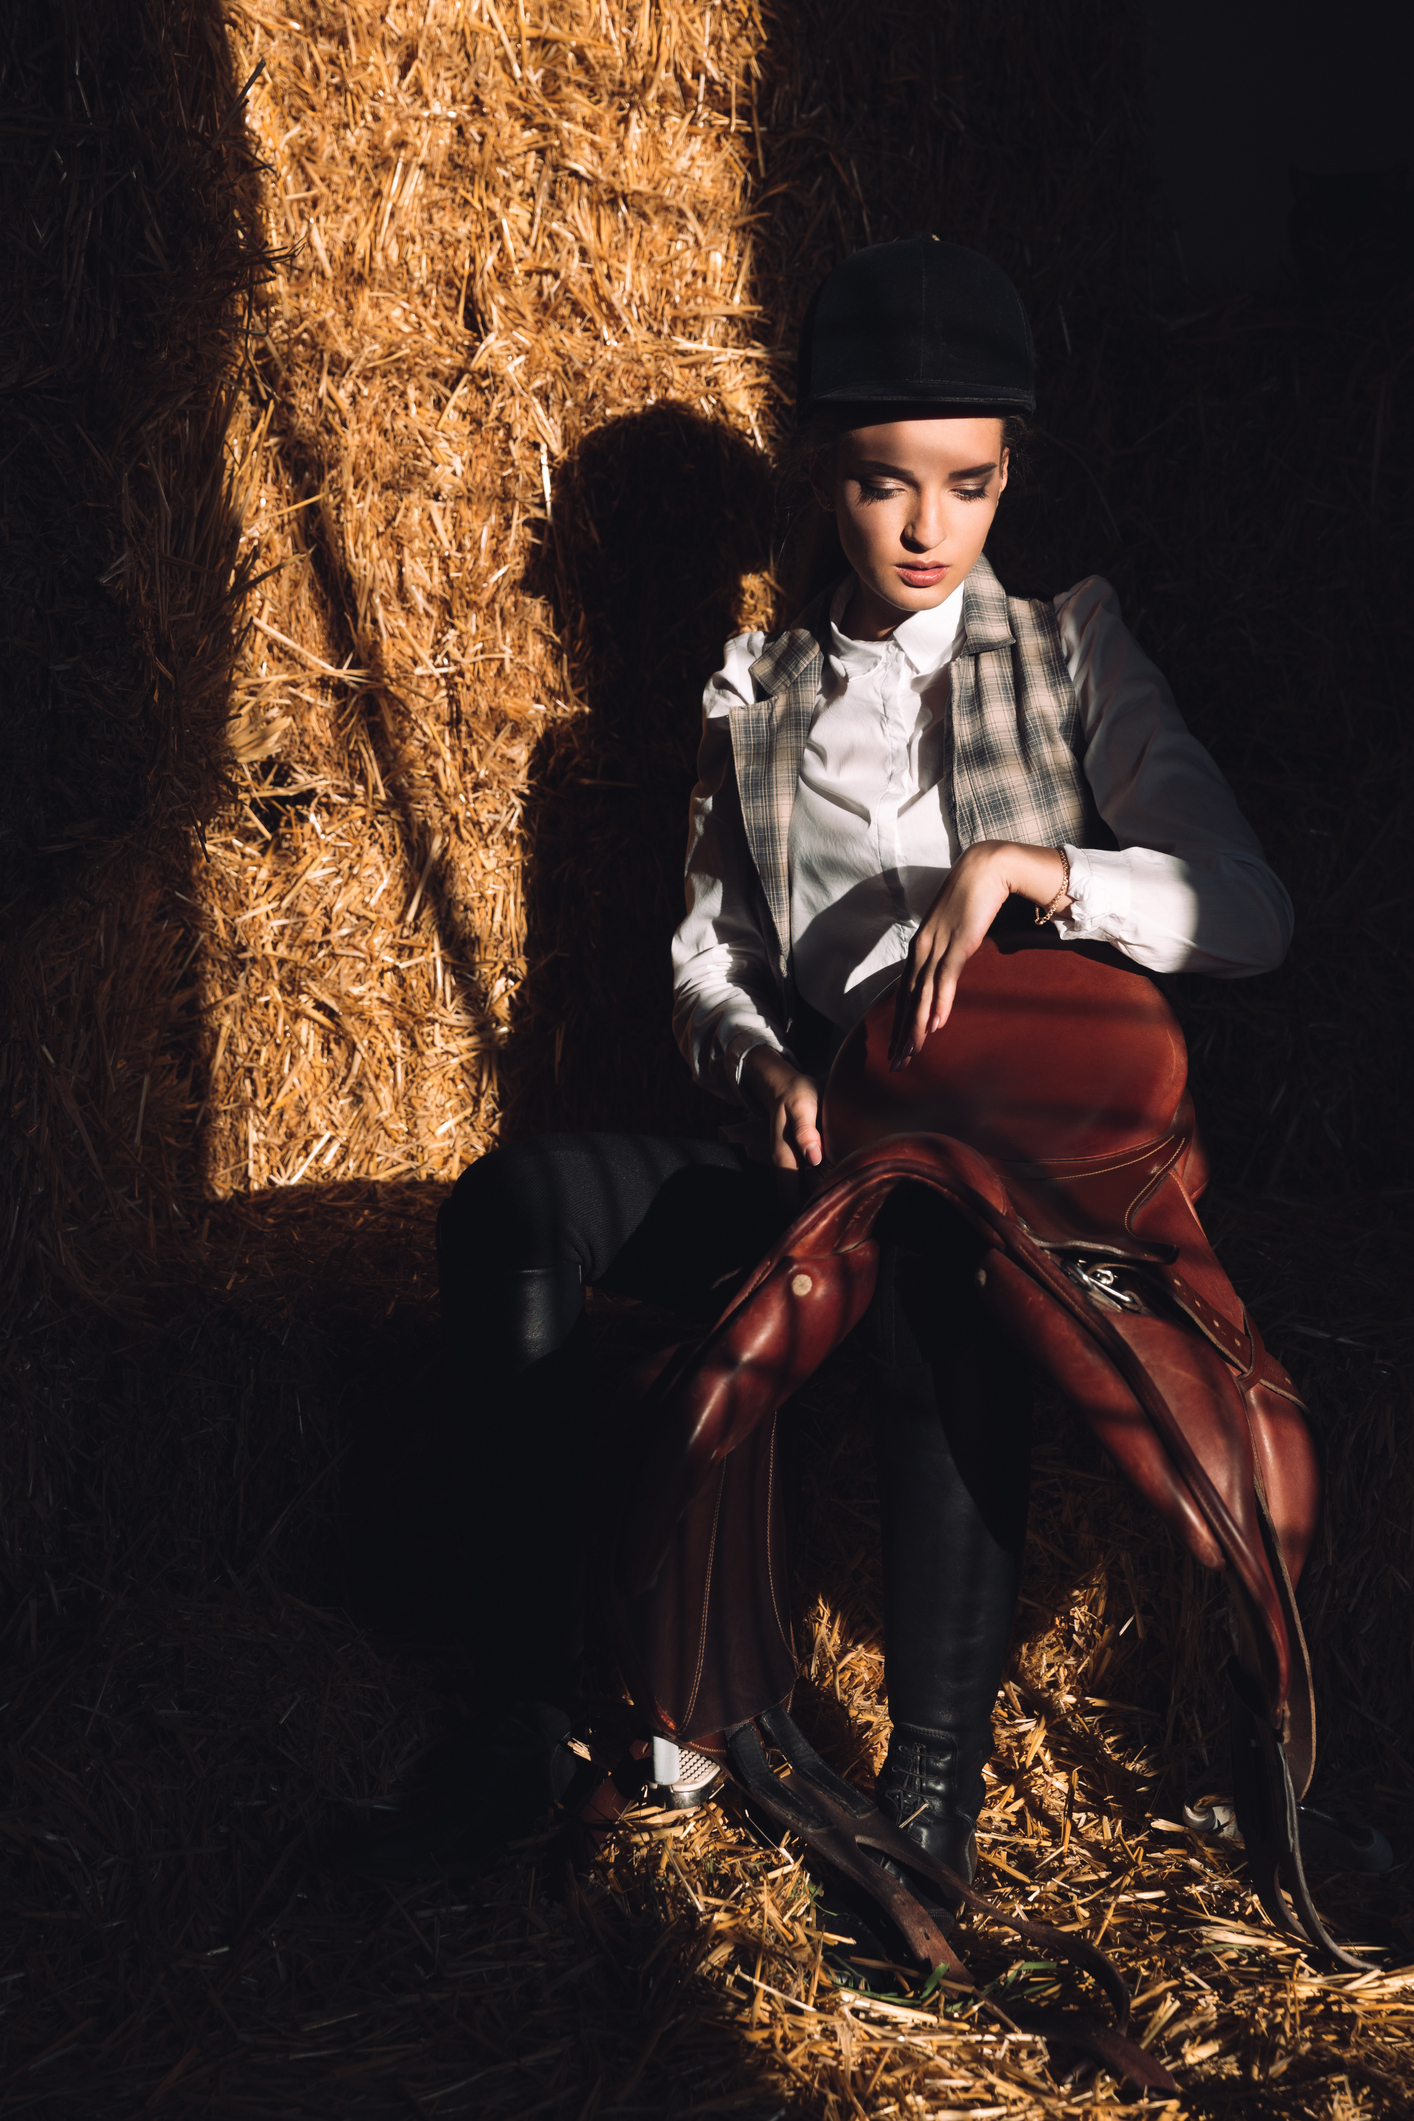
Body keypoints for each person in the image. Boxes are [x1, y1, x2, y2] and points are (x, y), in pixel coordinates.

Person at [412, 236, 1293, 1897]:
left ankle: (931, 1798)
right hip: (813, 1158)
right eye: (883, 484)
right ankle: (523, 1715)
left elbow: (1250, 909)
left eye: (964, 484)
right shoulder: (750, 693)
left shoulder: (1073, 648)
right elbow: (707, 958)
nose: (921, 527)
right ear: (826, 480)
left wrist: (1043, 869)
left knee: (938, 1269)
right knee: (511, 1201)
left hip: (997, 1196)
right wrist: (756, 1067)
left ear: (1006, 474)